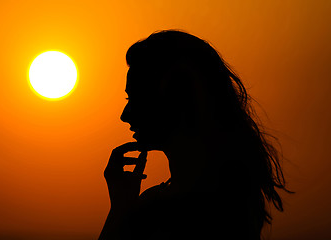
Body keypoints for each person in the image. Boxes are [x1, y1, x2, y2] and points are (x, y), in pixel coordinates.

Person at [99, 30, 291, 240]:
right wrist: (122, 206)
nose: (125, 116)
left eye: (136, 99)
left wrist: (120, 214)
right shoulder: (232, 196)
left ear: (175, 99)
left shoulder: (192, 211)